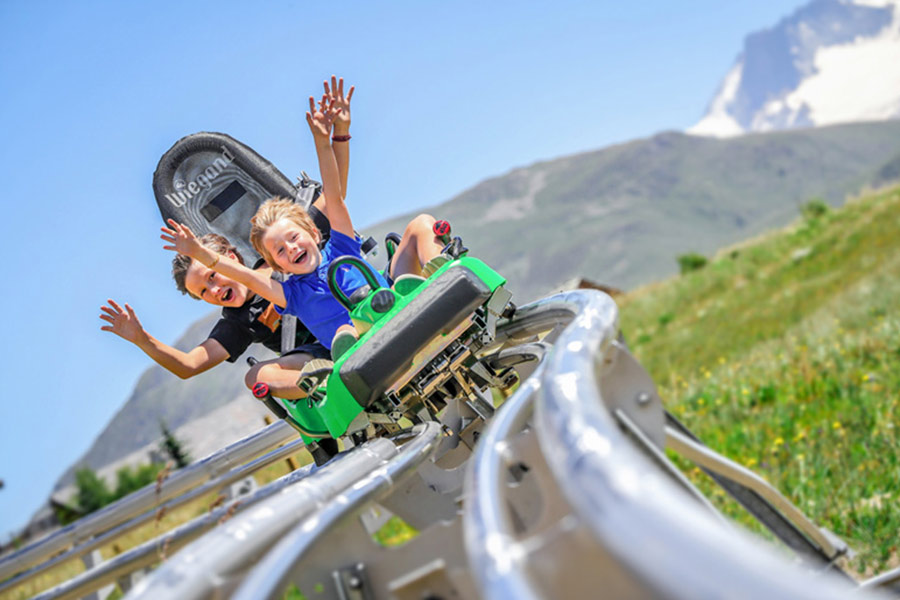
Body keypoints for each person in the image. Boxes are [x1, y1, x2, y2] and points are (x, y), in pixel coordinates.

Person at [104, 76, 361, 396]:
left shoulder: (289, 247)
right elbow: (189, 365)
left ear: (230, 258)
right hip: (322, 359)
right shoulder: (240, 320)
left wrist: (336, 134)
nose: (213, 289)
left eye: (211, 276)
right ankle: (337, 386)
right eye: (203, 292)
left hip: (360, 311)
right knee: (258, 376)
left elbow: (336, 194)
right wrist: (143, 340)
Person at [162, 85, 447, 361]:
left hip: (389, 299)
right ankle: (354, 346)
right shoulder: (291, 294)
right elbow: (244, 276)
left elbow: (334, 195)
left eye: (293, 240)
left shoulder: (340, 248)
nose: (290, 249)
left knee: (422, 224)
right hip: (357, 340)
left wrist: (331, 138)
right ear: (276, 266)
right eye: (280, 252)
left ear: (312, 232)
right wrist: (200, 255)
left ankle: (443, 278)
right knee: (345, 330)